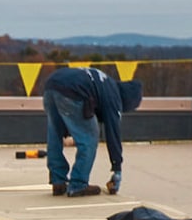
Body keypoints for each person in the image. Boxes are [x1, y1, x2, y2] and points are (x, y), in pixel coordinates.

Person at [43, 65, 143, 196]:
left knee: (55, 135)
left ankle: (58, 181)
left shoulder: (106, 84)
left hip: (51, 85)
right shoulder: (114, 97)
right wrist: (117, 168)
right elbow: (113, 133)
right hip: (73, 91)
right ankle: (78, 184)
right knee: (89, 138)